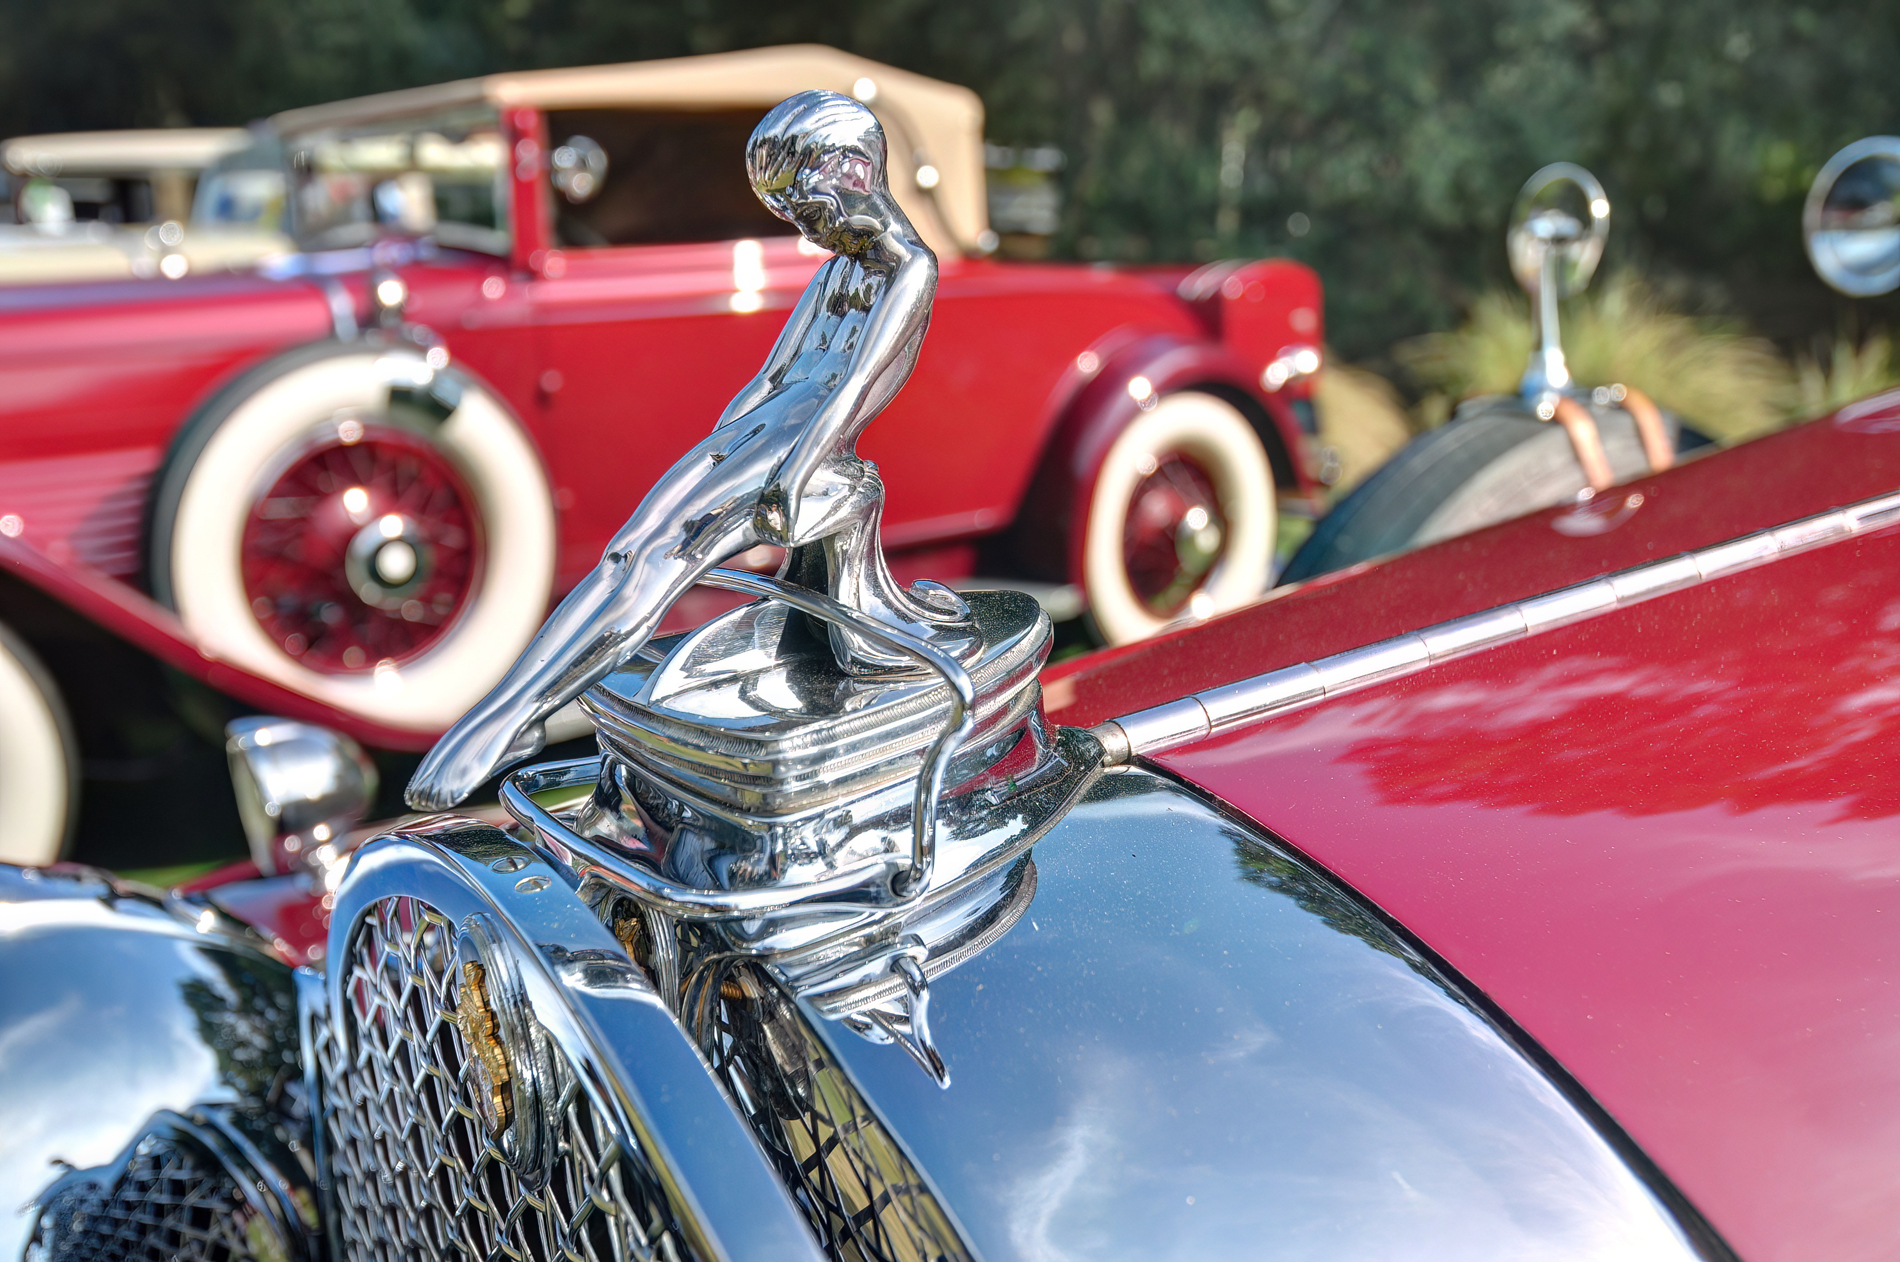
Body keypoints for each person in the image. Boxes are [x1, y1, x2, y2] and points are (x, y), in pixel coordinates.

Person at [406, 89, 973, 811]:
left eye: (807, 209)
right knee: (629, 551)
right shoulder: (836, 270)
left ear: (853, 171)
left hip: (797, 453)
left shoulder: (908, 271)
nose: (806, 232)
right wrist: (715, 447)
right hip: (753, 439)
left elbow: (855, 390)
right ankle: (510, 712)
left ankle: (512, 721)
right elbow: (770, 374)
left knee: (656, 567)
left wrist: (792, 477)